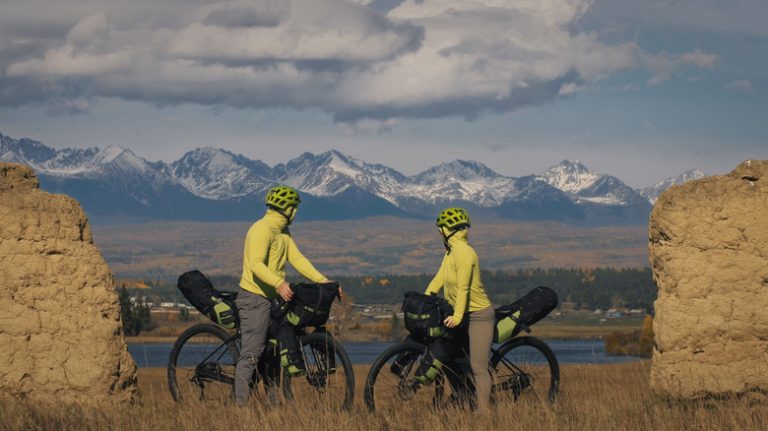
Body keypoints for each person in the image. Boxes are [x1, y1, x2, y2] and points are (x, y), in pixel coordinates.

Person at [234, 185, 332, 406]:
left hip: (273, 299)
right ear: (284, 208)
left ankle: (274, 404)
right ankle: (238, 408)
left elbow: (297, 259)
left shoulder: (283, 232)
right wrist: (279, 283)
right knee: (252, 353)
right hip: (254, 298)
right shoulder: (261, 230)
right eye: (293, 208)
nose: (296, 212)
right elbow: (256, 264)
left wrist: (322, 280)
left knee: (275, 351)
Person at [418, 207, 494, 412]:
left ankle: (484, 415)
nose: (438, 233)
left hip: (479, 316)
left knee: (479, 367)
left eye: (440, 229)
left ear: (447, 230)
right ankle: (463, 397)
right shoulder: (450, 253)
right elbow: (439, 279)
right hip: (457, 313)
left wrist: (457, 316)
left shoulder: (465, 253)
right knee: (448, 355)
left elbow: (464, 288)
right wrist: (424, 301)